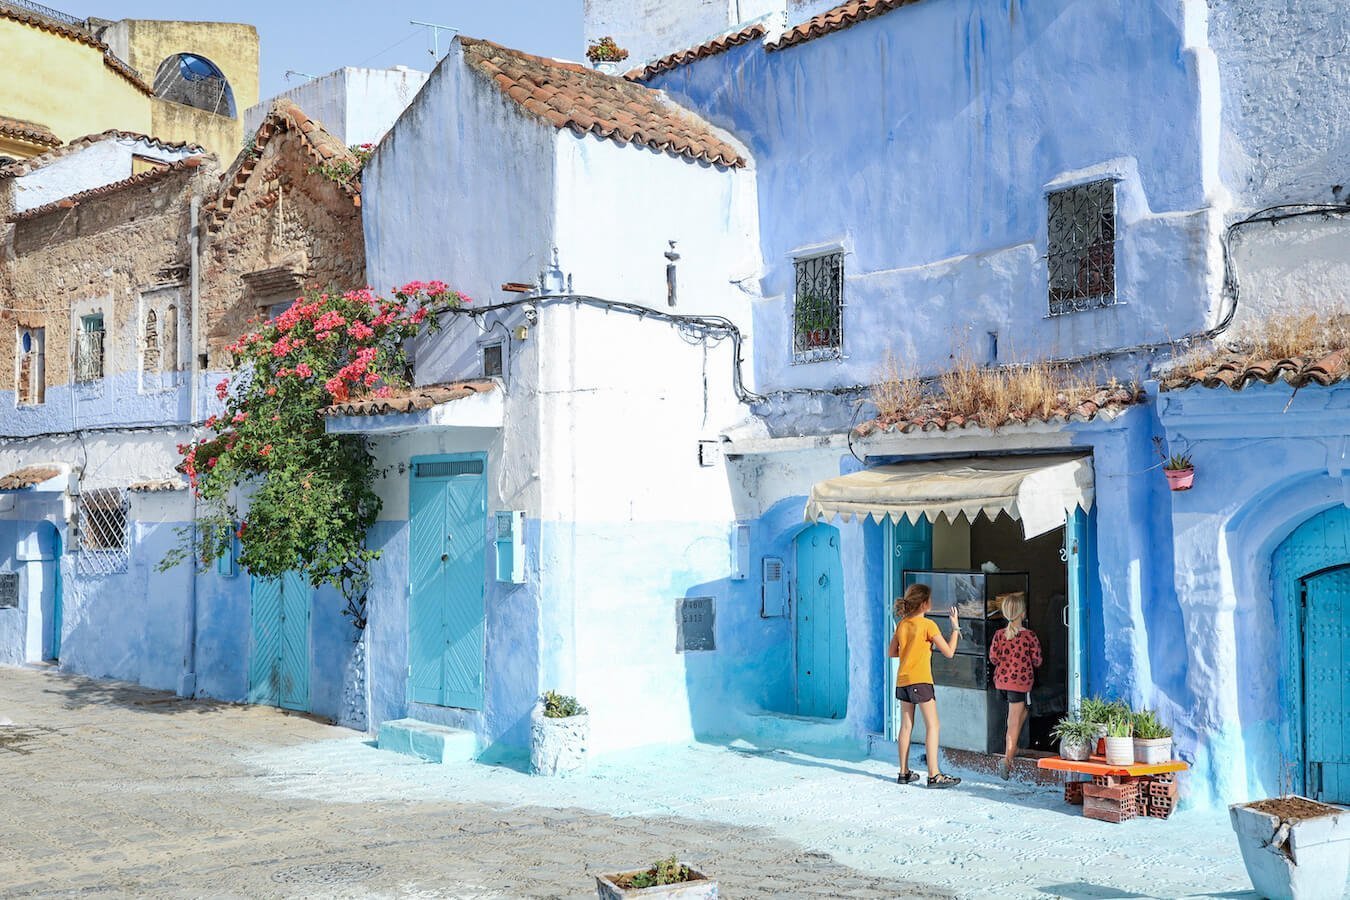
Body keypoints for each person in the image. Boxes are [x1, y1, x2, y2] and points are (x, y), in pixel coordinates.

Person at [887, 583, 962, 788]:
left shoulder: (903, 624)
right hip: (921, 680)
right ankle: (934, 774)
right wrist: (955, 627)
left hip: (903, 681)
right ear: (924, 604)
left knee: (906, 726)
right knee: (933, 725)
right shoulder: (928, 625)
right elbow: (949, 652)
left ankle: (903, 773)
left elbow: (891, 652)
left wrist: (910, 651)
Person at [988, 592, 1042, 781]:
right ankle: (1007, 759)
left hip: (1001, 683)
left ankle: (1014, 747)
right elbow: (1037, 660)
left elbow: (993, 658)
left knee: (1022, 713)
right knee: (1013, 722)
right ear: (1023, 613)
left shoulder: (999, 635)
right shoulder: (1029, 636)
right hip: (1019, 685)